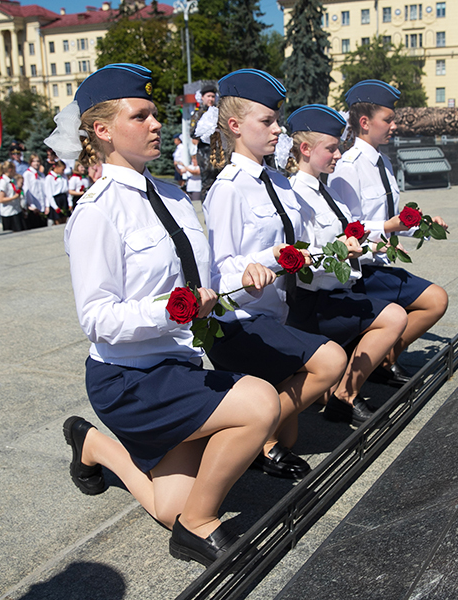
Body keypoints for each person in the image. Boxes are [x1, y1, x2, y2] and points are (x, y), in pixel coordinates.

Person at [54, 63, 281, 566]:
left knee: (168, 504)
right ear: (103, 131)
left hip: (177, 366)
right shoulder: (97, 211)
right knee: (260, 403)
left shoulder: (176, 196)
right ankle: (197, 531)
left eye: (156, 114)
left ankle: (92, 444)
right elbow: (96, 318)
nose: (157, 124)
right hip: (128, 379)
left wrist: (238, 282)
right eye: (141, 116)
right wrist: (172, 311)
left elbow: (199, 287)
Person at [203, 69, 348, 479]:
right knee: (329, 362)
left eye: (276, 120)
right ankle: (248, 435)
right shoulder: (228, 188)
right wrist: (265, 260)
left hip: (278, 312)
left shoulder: (279, 184)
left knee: (290, 439)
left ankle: (253, 432)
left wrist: (339, 251)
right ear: (234, 126)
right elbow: (221, 269)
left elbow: (302, 246)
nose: (277, 128)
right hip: (241, 322)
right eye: (266, 121)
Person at [284, 104, 408, 425]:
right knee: (394, 317)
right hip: (314, 301)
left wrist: (372, 243)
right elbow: (302, 259)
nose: (339, 155)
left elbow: (350, 234)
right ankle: (344, 397)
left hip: (337, 292)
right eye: (332, 148)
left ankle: (338, 392)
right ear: (305, 149)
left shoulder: (326, 192)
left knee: (392, 309)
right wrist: (340, 252)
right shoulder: (297, 196)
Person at [328, 80, 449, 388]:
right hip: (361, 270)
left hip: (380, 264)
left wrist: (424, 225)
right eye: (388, 119)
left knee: (436, 301)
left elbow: (393, 219)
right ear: (365, 123)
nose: (394, 125)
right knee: (435, 299)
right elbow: (347, 230)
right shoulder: (347, 168)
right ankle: (362, 369)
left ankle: (384, 361)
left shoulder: (384, 161)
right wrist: (386, 231)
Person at [191, 83, 220, 194]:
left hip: (219, 152)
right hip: (205, 153)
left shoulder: (218, 112)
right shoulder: (198, 113)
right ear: (202, 97)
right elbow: (192, 133)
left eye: (213, 96)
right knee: (207, 185)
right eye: (208, 96)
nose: (211, 99)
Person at [0, 160, 26, 232]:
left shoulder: (12, 179)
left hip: (16, 210)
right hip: (8, 212)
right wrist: (14, 197)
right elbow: (1, 199)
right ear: (10, 170)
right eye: (14, 170)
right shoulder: (3, 182)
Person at [23, 154, 47, 228]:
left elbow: (45, 190)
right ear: (30, 162)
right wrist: (32, 205)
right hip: (34, 206)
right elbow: (27, 190)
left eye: (38, 161)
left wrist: (46, 205)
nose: (36, 163)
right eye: (34, 161)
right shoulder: (27, 174)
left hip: (42, 205)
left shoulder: (41, 174)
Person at [44, 160, 69, 224]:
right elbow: (49, 194)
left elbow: (66, 189)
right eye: (62, 169)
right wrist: (55, 207)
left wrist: (70, 203)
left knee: (65, 219)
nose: (63, 171)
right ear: (57, 167)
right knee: (58, 220)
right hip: (56, 200)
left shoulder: (63, 176)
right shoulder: (49, 178)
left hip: (63, 198)